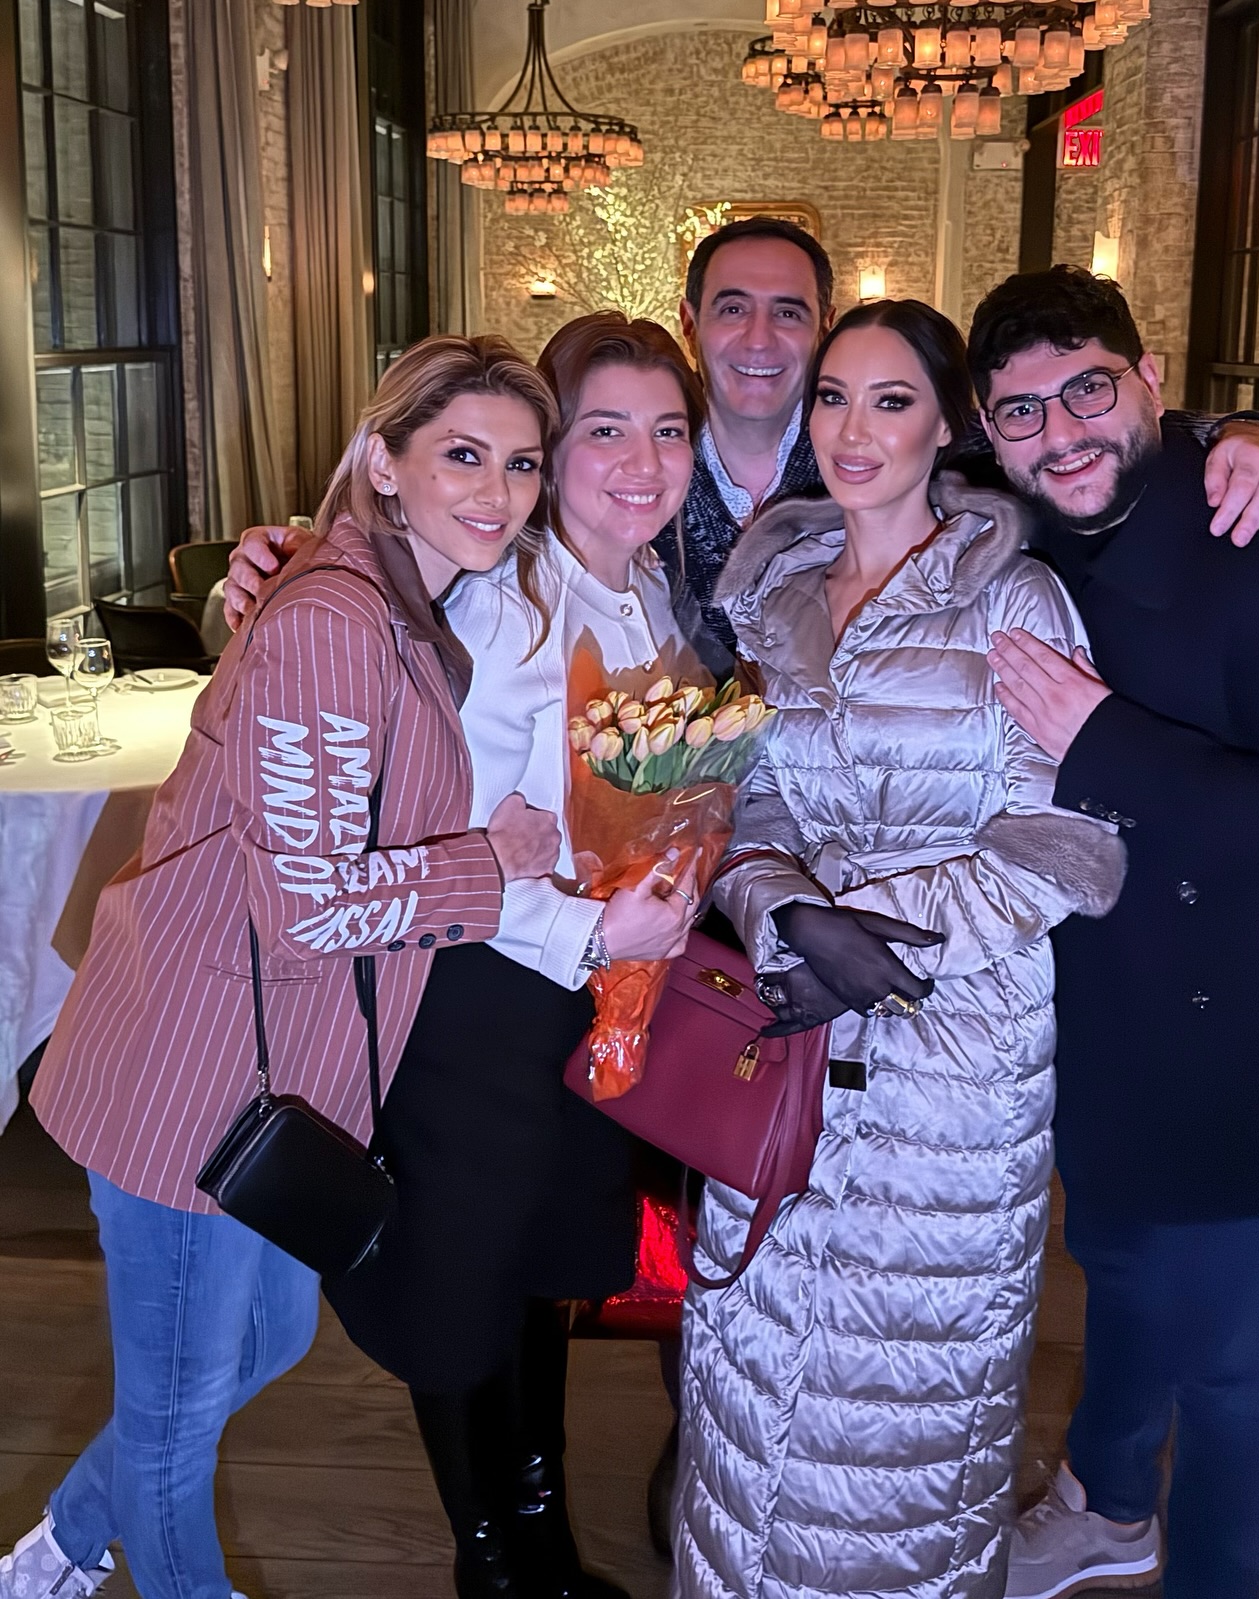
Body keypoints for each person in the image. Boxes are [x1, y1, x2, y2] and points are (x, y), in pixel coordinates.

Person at [0, 335, 566, 1599]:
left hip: (277, 1071)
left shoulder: (397, 599)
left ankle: (60, 1547)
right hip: (185, 1071)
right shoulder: (332, 620)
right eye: (463, 455)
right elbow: (313, 906)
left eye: (522, 463)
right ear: (385, 460)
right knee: (177, 1421)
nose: (499, 491)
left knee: (265, 1338)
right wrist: (492, 864)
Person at [674, 299, 1128, 1599]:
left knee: (910, 1407)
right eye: (833, 397)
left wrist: (873, 939)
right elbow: (745, 808)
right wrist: (782, 914)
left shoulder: (1012, 596)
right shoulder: (774, 596)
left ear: (948, 426)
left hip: (952, 1059)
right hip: (783, 1038)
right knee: (748, 1369)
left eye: (890, 400)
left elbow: (1062, 838)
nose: (853, 429)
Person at [972, 267, 1259, 1599]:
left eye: (1089, 389)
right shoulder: (1022, 528)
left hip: (1249, 1027)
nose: (1061, 432)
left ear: (1150, 378)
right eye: (1022, 410)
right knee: (1123, 1275)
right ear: (986, 429)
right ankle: (1109, 1502)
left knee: (1233, 1370)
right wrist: (1235, 425)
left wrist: (1107, 741)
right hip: (1107, 1011)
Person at [223, 219, 1259, 673]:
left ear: (823, 327)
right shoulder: (618, 466)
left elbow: (1065, 436)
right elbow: (462, 495)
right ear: (692, 322)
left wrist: (1235, 433)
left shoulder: (898, 460)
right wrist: (326, 557)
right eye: (732, 310)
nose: (760, 340)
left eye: (790, 313)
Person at [321, 312, 704, 1599]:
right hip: (477, 1001)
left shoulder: (645, 591)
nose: (641, 463)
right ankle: (491, 1561)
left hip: (582, 999)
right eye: (605, 431)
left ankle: (540, 1542)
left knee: (537, 1274)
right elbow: (432, 838)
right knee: (463, 1285)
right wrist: (589, 926)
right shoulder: (499, 605)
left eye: (669, 431)